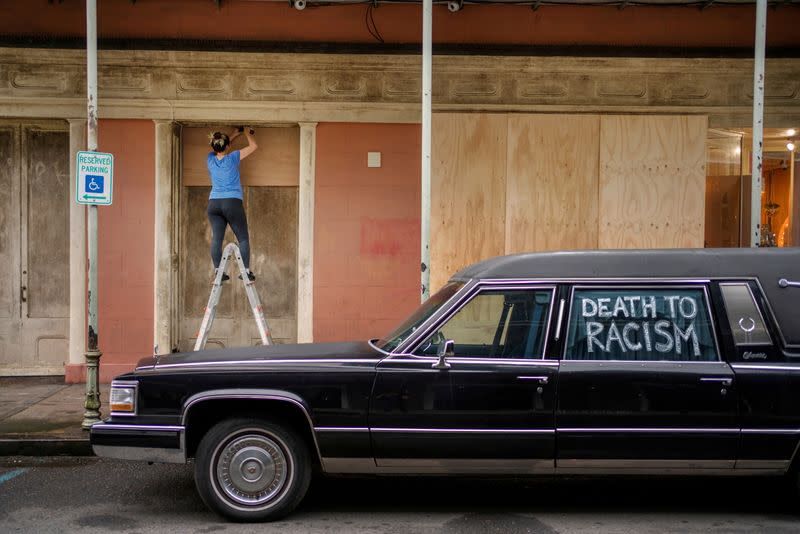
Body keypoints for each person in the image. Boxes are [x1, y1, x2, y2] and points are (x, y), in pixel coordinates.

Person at [206, 126, 258, 281]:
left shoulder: (210, 159)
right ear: (228, 146)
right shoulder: (233, 157)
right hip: (232, 202)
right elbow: (254, 146)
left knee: (217, 238)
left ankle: (218, 272)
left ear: (213, 146)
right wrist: (247, 134)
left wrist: (234, 134)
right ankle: (245, 272)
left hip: (214, 204)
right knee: (242, 238)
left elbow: (221, 146)